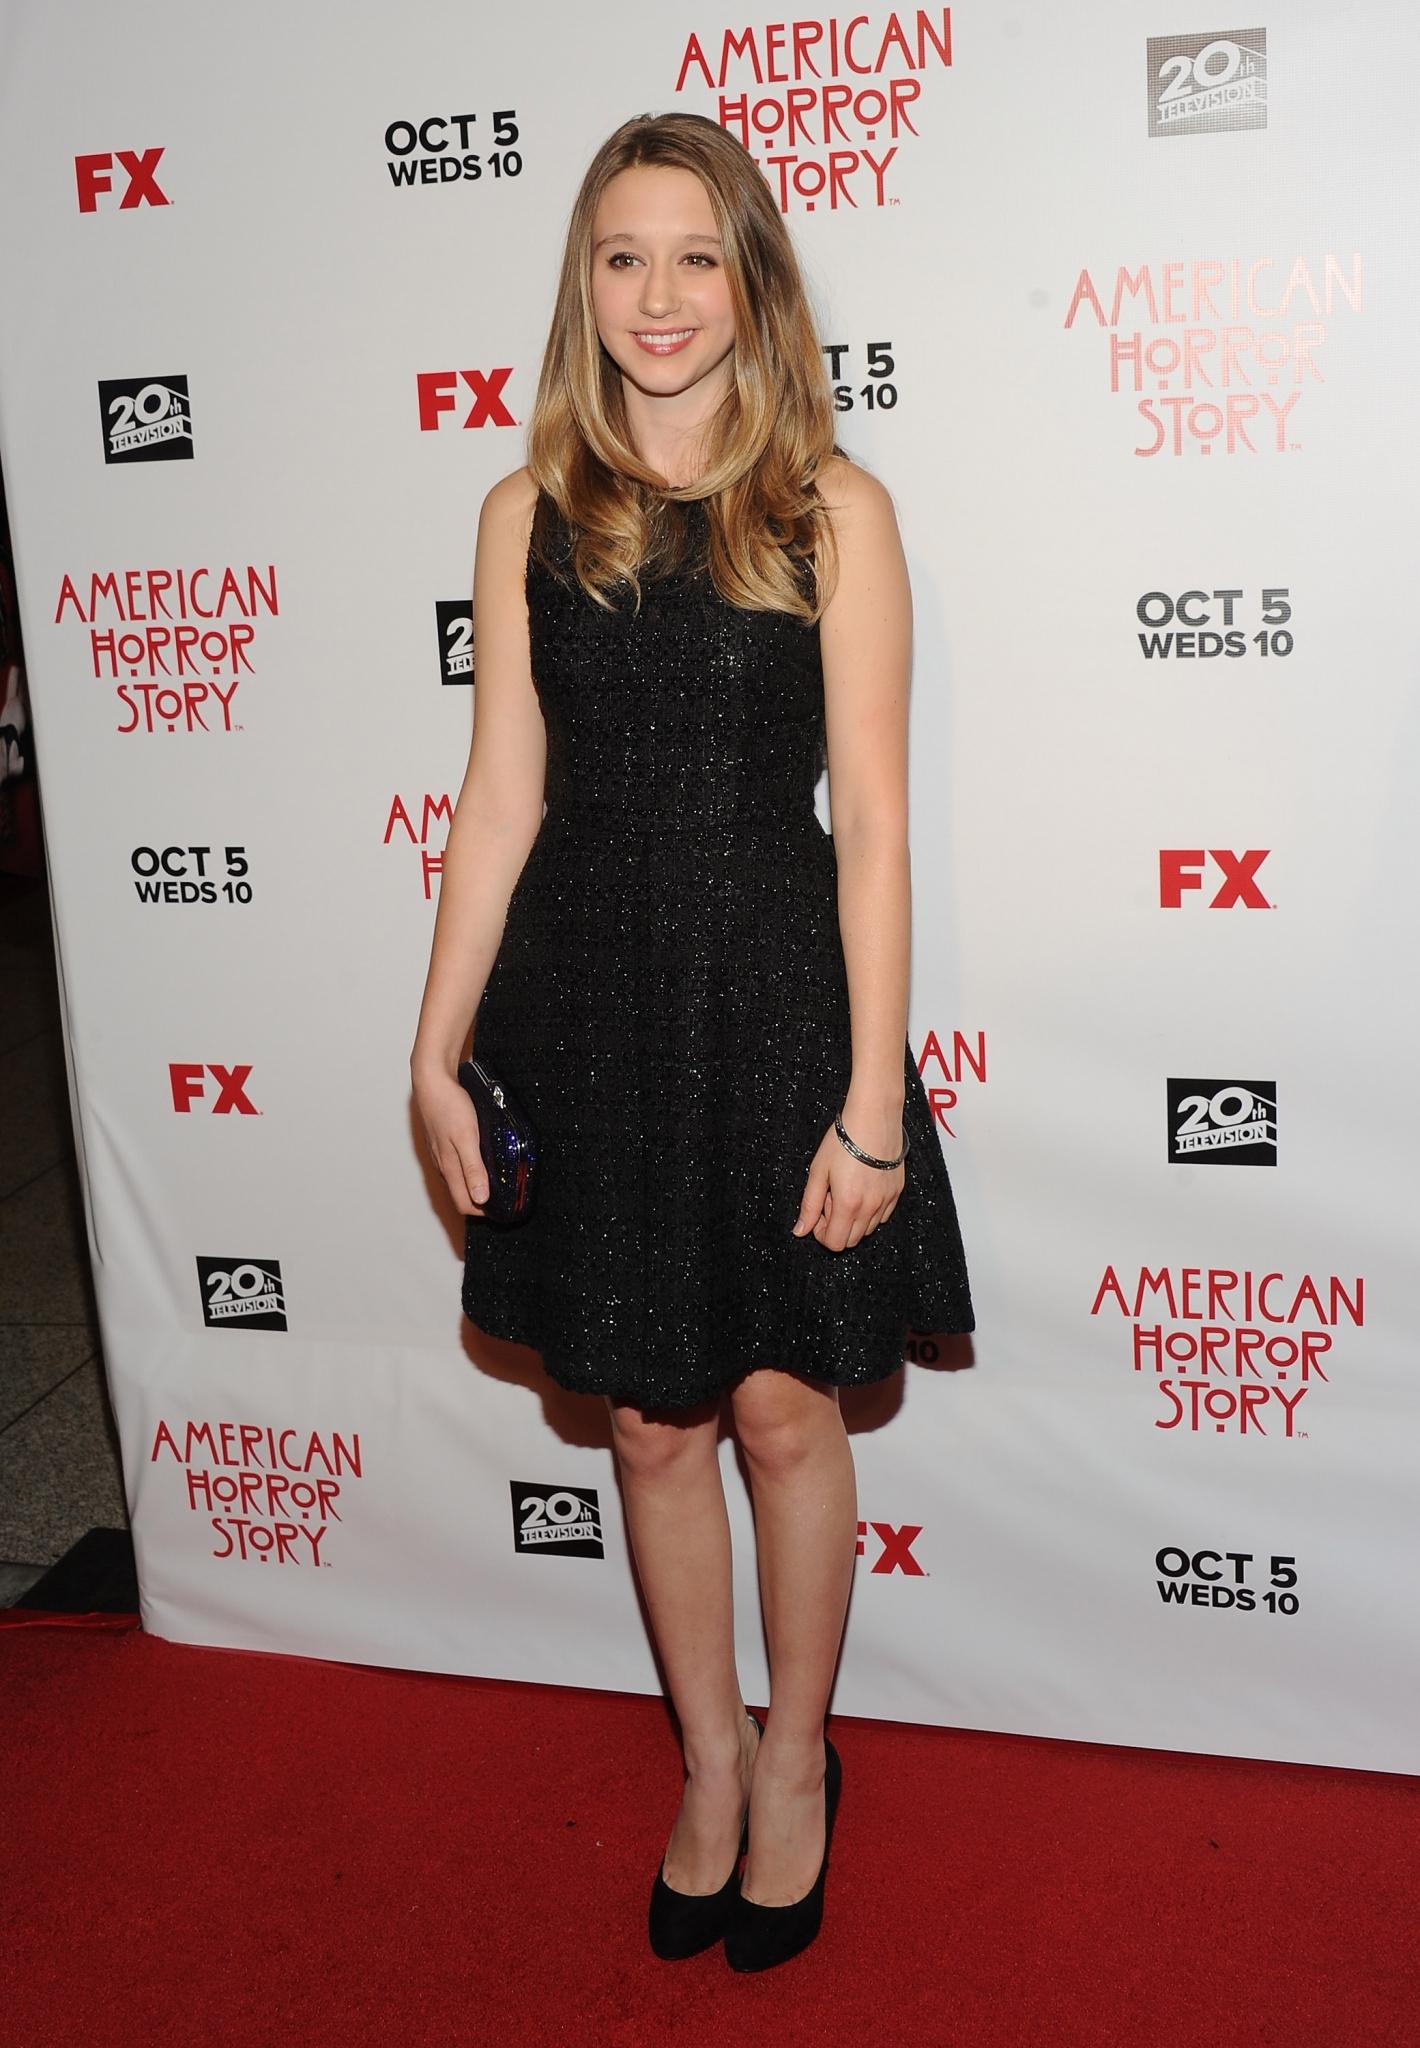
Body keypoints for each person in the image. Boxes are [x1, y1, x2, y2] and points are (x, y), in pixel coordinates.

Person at [410, 110, 974, 1972]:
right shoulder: (526, 513)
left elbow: (873, 822)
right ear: (583, 283)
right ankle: (710, 1761)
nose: (658, 296)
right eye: (621, 257)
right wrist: (435, 1046)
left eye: (696, 256)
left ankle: (799, 1760)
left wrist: (872, 1100)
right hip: (585, 1003)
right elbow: (500, 798)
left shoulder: (832, 508)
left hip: (776, 1002)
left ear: (755, 282)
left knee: (786, 1410)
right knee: (652, 1428)